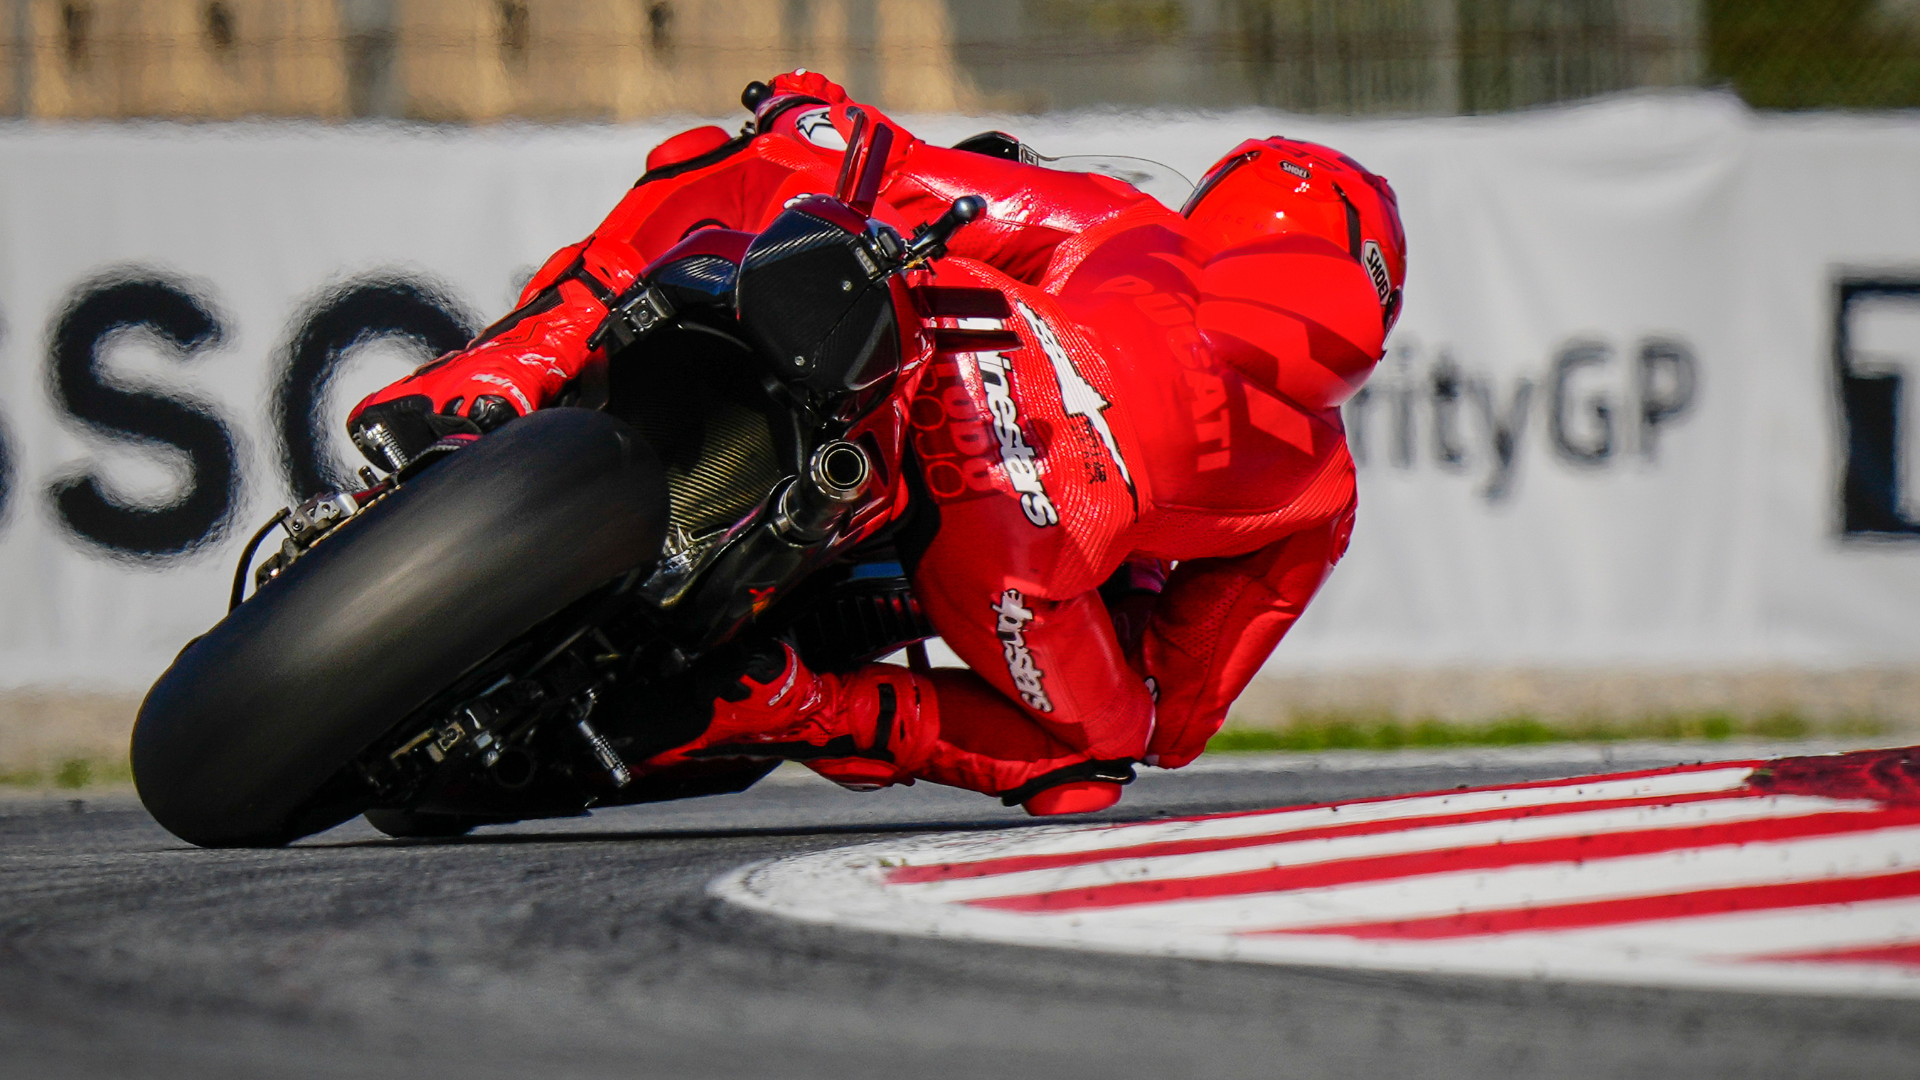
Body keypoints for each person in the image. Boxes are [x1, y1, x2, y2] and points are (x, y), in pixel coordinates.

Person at [347, 71, 1406, 816]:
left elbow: (898, 169)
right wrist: (1131, 575)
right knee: (1101, 748)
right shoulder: (1322, 485)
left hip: (919, 362)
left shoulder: (1129, 223)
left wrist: (819, 113)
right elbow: (1177, 714)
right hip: (1014, 571)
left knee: (760, 160)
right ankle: (799, 700)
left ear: (1222, 199)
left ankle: (499, 375)